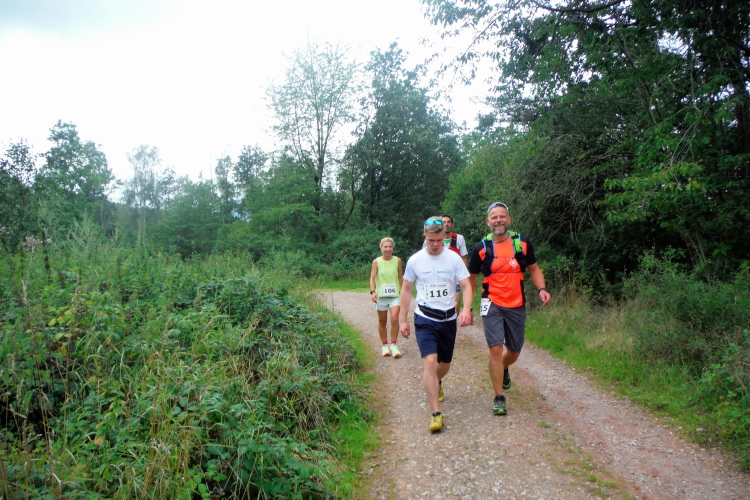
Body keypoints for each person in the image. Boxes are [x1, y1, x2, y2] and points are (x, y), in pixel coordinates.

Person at [468, 202, 552, 416]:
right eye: (494, 217)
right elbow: (471, 279)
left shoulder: (522, 243)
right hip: (491, 301)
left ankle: (504, 367)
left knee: (514, 351)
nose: (498, 220)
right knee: (495, 349)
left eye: (502, 216)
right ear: (488, 222)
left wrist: (542, 289)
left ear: (509, 219)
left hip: (516, 303)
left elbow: (534, 268)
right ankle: (499, 397)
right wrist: (467, 307)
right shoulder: (481, 248)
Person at [399, 217, 473, 432]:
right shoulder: (415, 260)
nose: (435, 244)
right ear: (425, 236)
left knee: (444, 364)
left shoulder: (454, 259)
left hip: (448, 319)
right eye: (431, 240)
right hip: (425, 317)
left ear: (444, 237)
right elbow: (406, 289)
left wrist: (466, 309)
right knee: (430, 362)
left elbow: (466, 286)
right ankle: (436, 413)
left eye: (439, 240)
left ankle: (435, 381)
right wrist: (403, 320)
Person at [369, 237, 404, 358]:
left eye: (390, 247)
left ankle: (394, 345)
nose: (388, 249)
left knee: (394, 319)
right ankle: (385, 345)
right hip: (381, 296)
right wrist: (373, 292)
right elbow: (372, 278)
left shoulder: (397, 261)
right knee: (382, 321)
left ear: (393, 248)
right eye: (385, 247)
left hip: (395, 295)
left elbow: (400, 276)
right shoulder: (376, 262)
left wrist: (404, 290)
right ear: (381, 248)